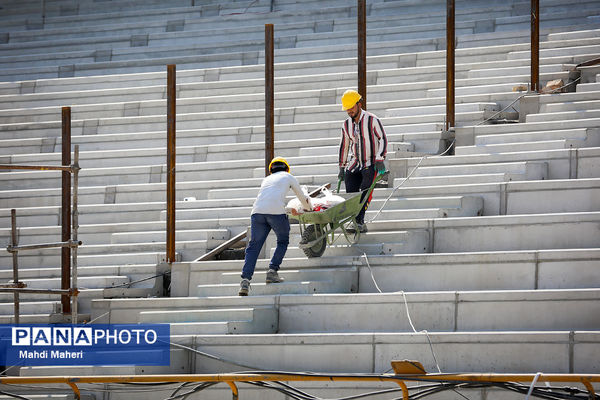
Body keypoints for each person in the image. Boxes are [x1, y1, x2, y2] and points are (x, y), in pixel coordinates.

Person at [238, 157, 312, 296]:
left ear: (271, 169)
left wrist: (288, 210)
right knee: (283, 241)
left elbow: (269, 200)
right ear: (286, 168)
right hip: (276, 214)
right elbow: (302, 198)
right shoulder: (289, 177)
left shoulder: (266, 179)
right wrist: (308, 208)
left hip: (257, 213)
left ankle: (245, 281)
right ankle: (272, 271)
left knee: (253, 247)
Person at [338, 89, 387, 233]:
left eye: (351, 107)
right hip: (355, 163)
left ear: (359, 104)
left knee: (365, 191)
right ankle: (354, 220)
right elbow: (344, 146)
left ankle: (359, 220)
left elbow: (382, 138)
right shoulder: (346, 125)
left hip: (371, 163)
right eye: (347, 109)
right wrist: (342, 166)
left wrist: (380, 157)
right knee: (351, 193)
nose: (349, 111)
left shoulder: (372, 120)